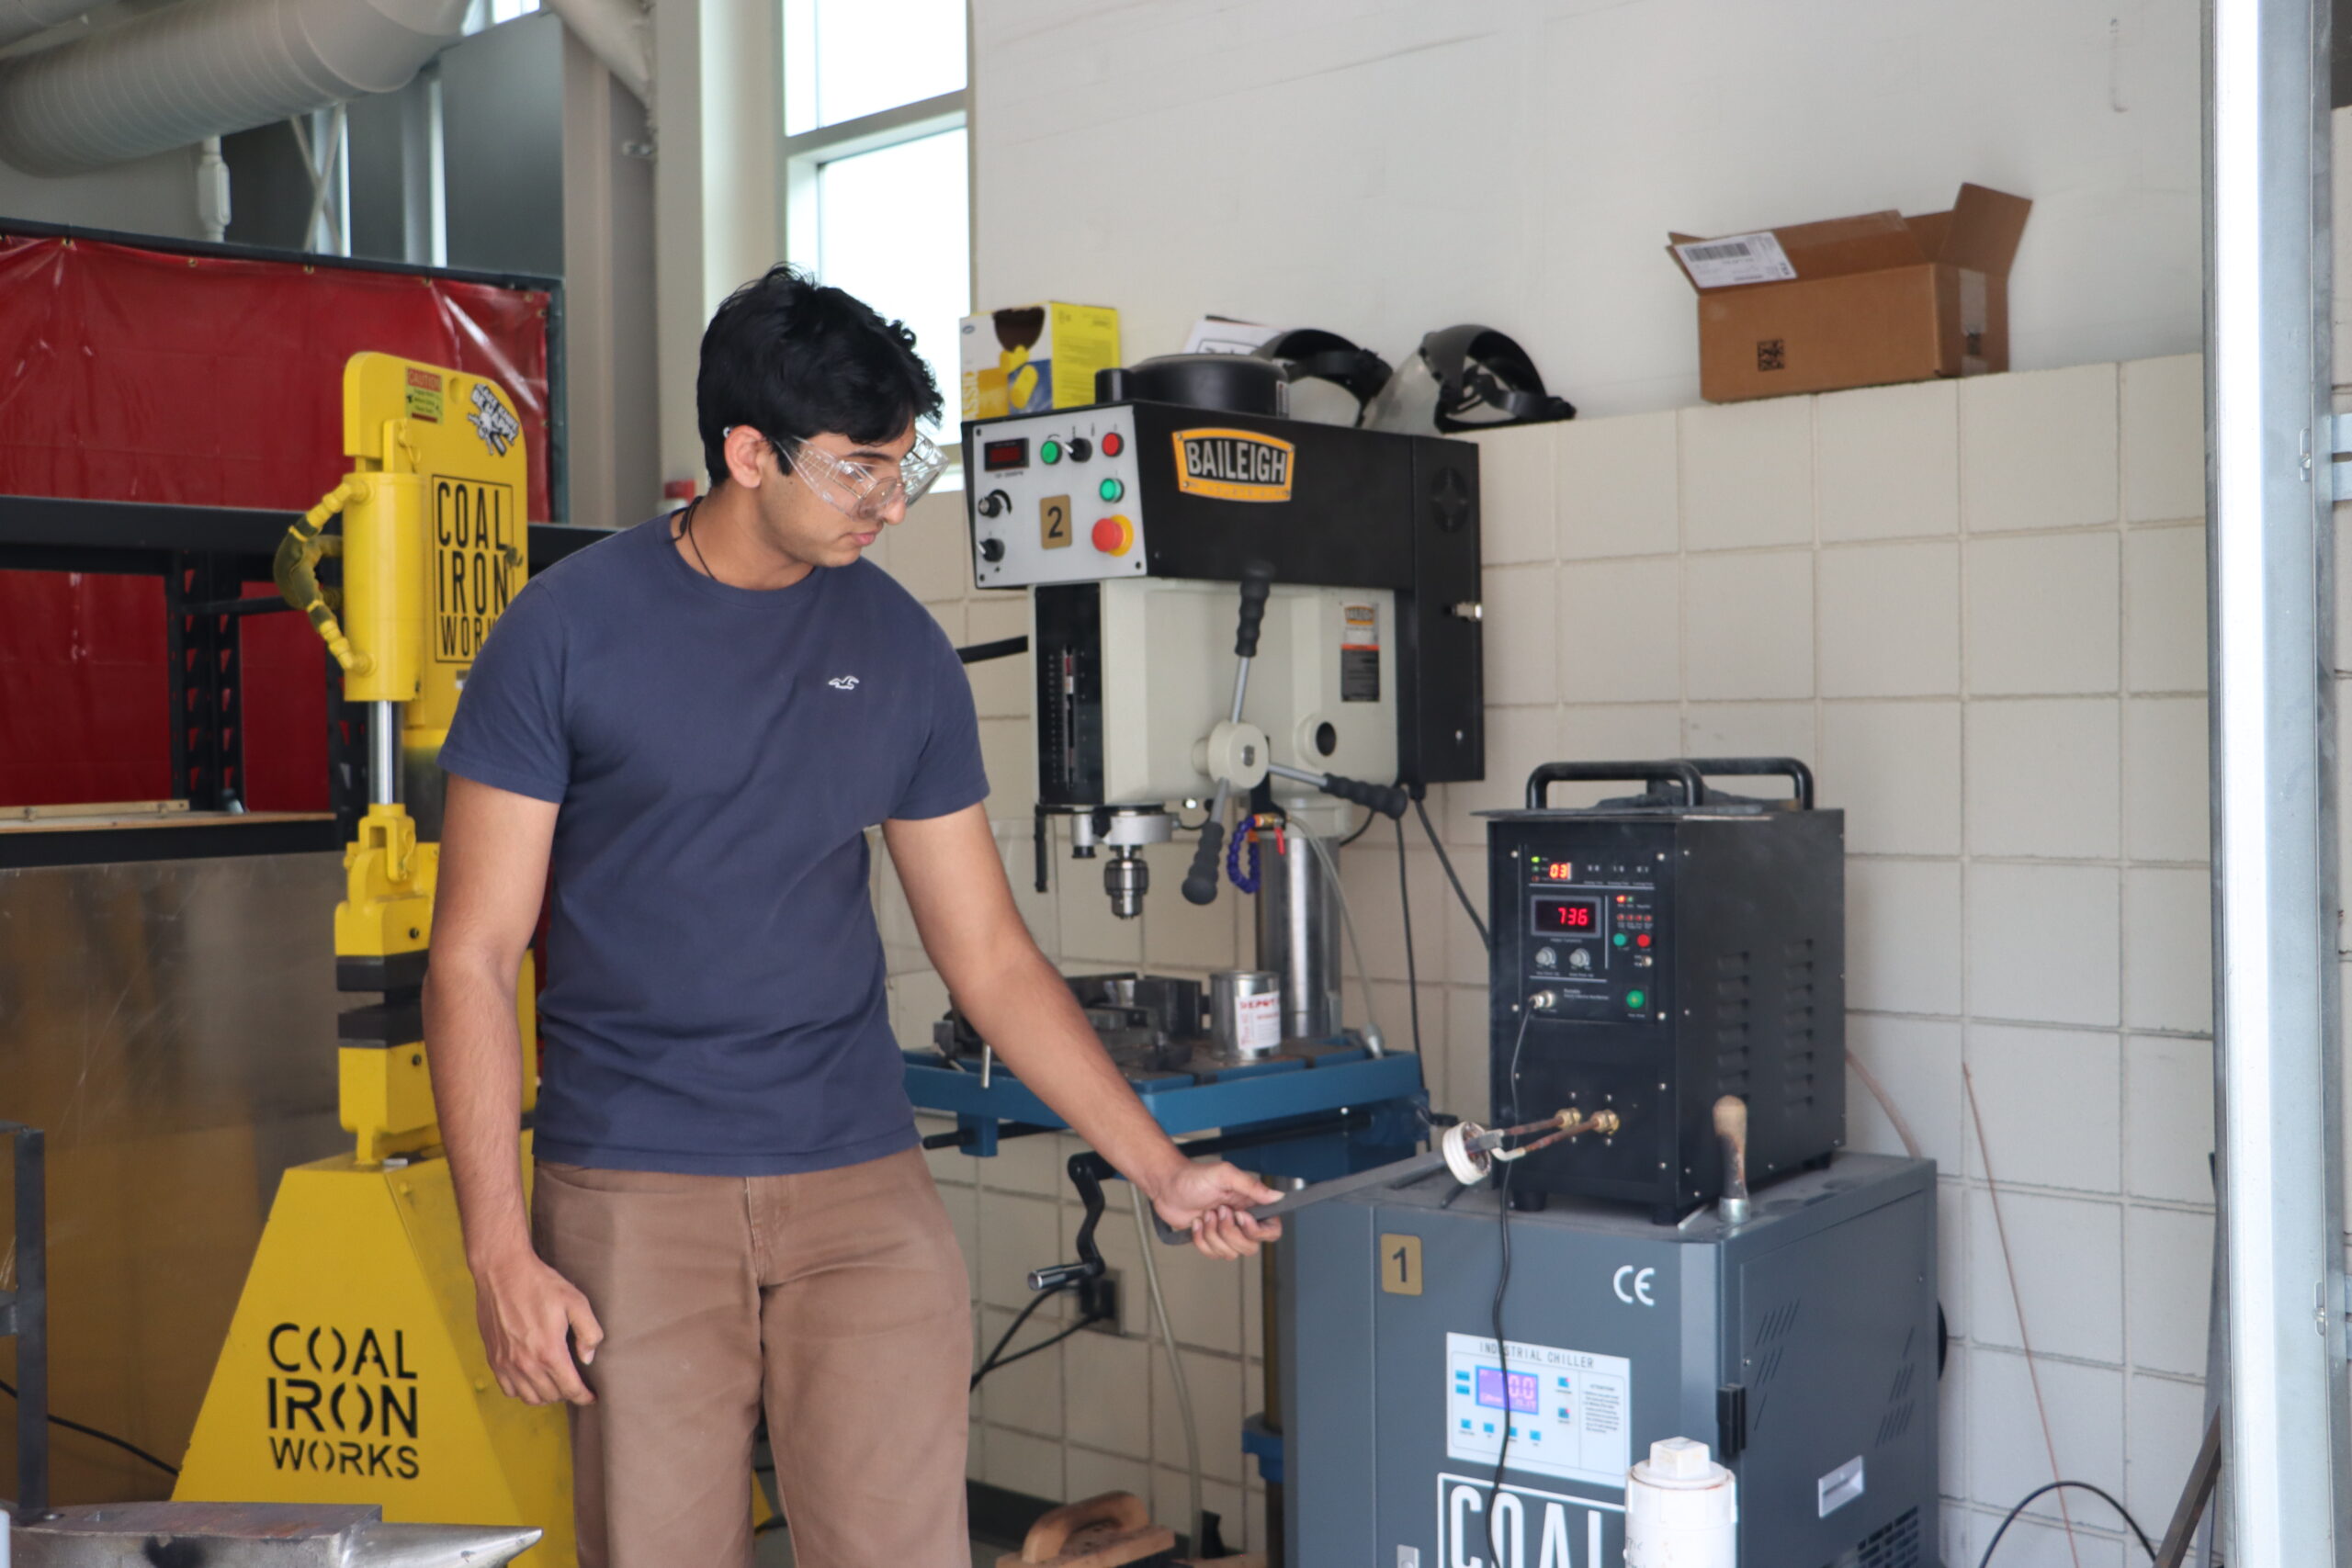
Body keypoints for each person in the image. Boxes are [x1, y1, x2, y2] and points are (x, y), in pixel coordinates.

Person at [422, 265, 1279, 1568]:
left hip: (859, 1182)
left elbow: (987, 954)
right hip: (636, 1187)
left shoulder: (900, 650)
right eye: (857, 470)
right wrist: (497, 1251)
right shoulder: (563, 635)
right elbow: (475, 958)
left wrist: (1161, 1170)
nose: (888, 501)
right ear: (747, 453)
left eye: (903, 465)